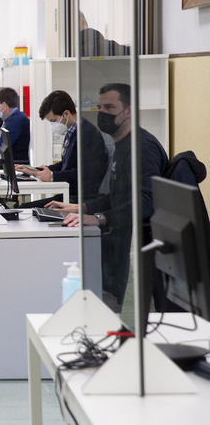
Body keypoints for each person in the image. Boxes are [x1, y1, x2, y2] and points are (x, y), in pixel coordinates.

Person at [48, 83, 168, 308]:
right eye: (99, 107)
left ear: (129, 111)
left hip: (138, 245)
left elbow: (146, 202)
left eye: (110, 107)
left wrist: (100, 218)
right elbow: (117, 195)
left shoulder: (142, 148)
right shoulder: (120, 144)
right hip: (122, 241)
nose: (102, 113)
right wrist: (80, 208)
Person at [15, 90, 108, 204]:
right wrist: (34, 171)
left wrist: (53, 176)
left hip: (80, 199)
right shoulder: (71, 132)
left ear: (66, 114)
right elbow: (65, 165)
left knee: (27, 210)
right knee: (25, 208)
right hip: (70, 194)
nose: (53, 125)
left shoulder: (86, 134)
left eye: (53, 121)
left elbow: (86, 173)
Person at [0, 87, 30, 163]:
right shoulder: (10, 119)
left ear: (3, 105)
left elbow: (0, 147)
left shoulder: (15, 121)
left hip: (16, 164)